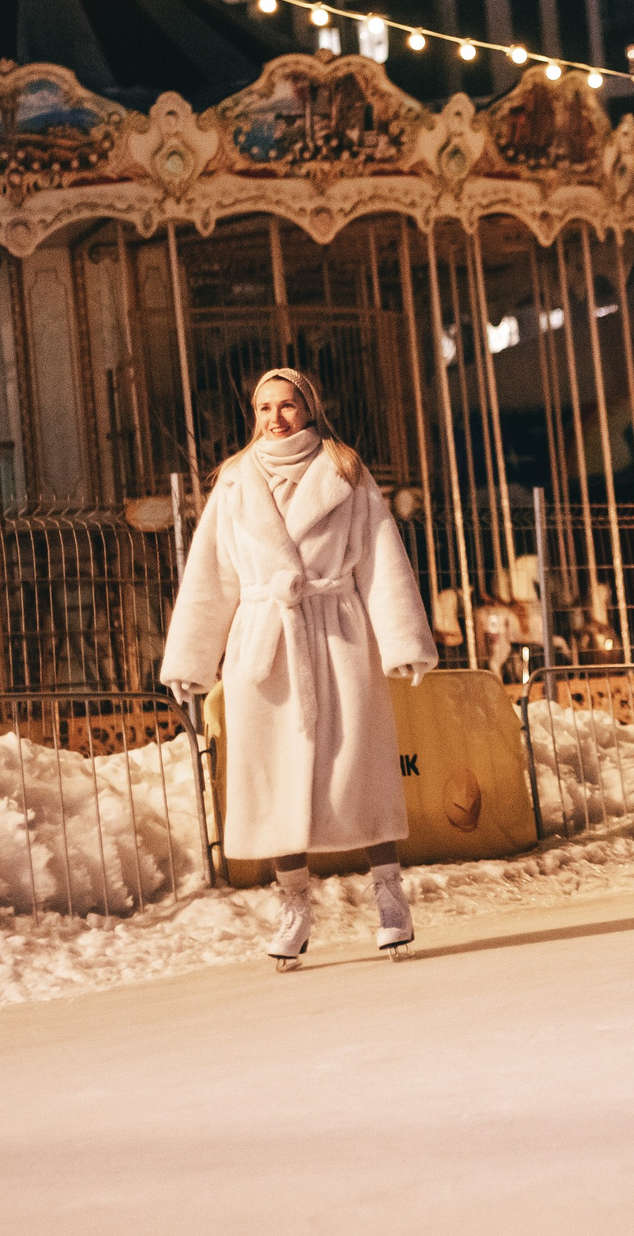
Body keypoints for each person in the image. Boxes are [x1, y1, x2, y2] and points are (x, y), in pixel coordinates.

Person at [161, 368, 440, 969]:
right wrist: (191, 657)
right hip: (264, 645)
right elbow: (211, 576)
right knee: (270, 781)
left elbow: (382, 560)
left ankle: (390, 895)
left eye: (287, 405)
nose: (275, 418)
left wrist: (404, 640)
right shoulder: (234, 482)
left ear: (309, 407)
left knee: (359, 764)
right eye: (264, 407)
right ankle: (294, 907)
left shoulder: (344, 470)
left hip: (338, 634)